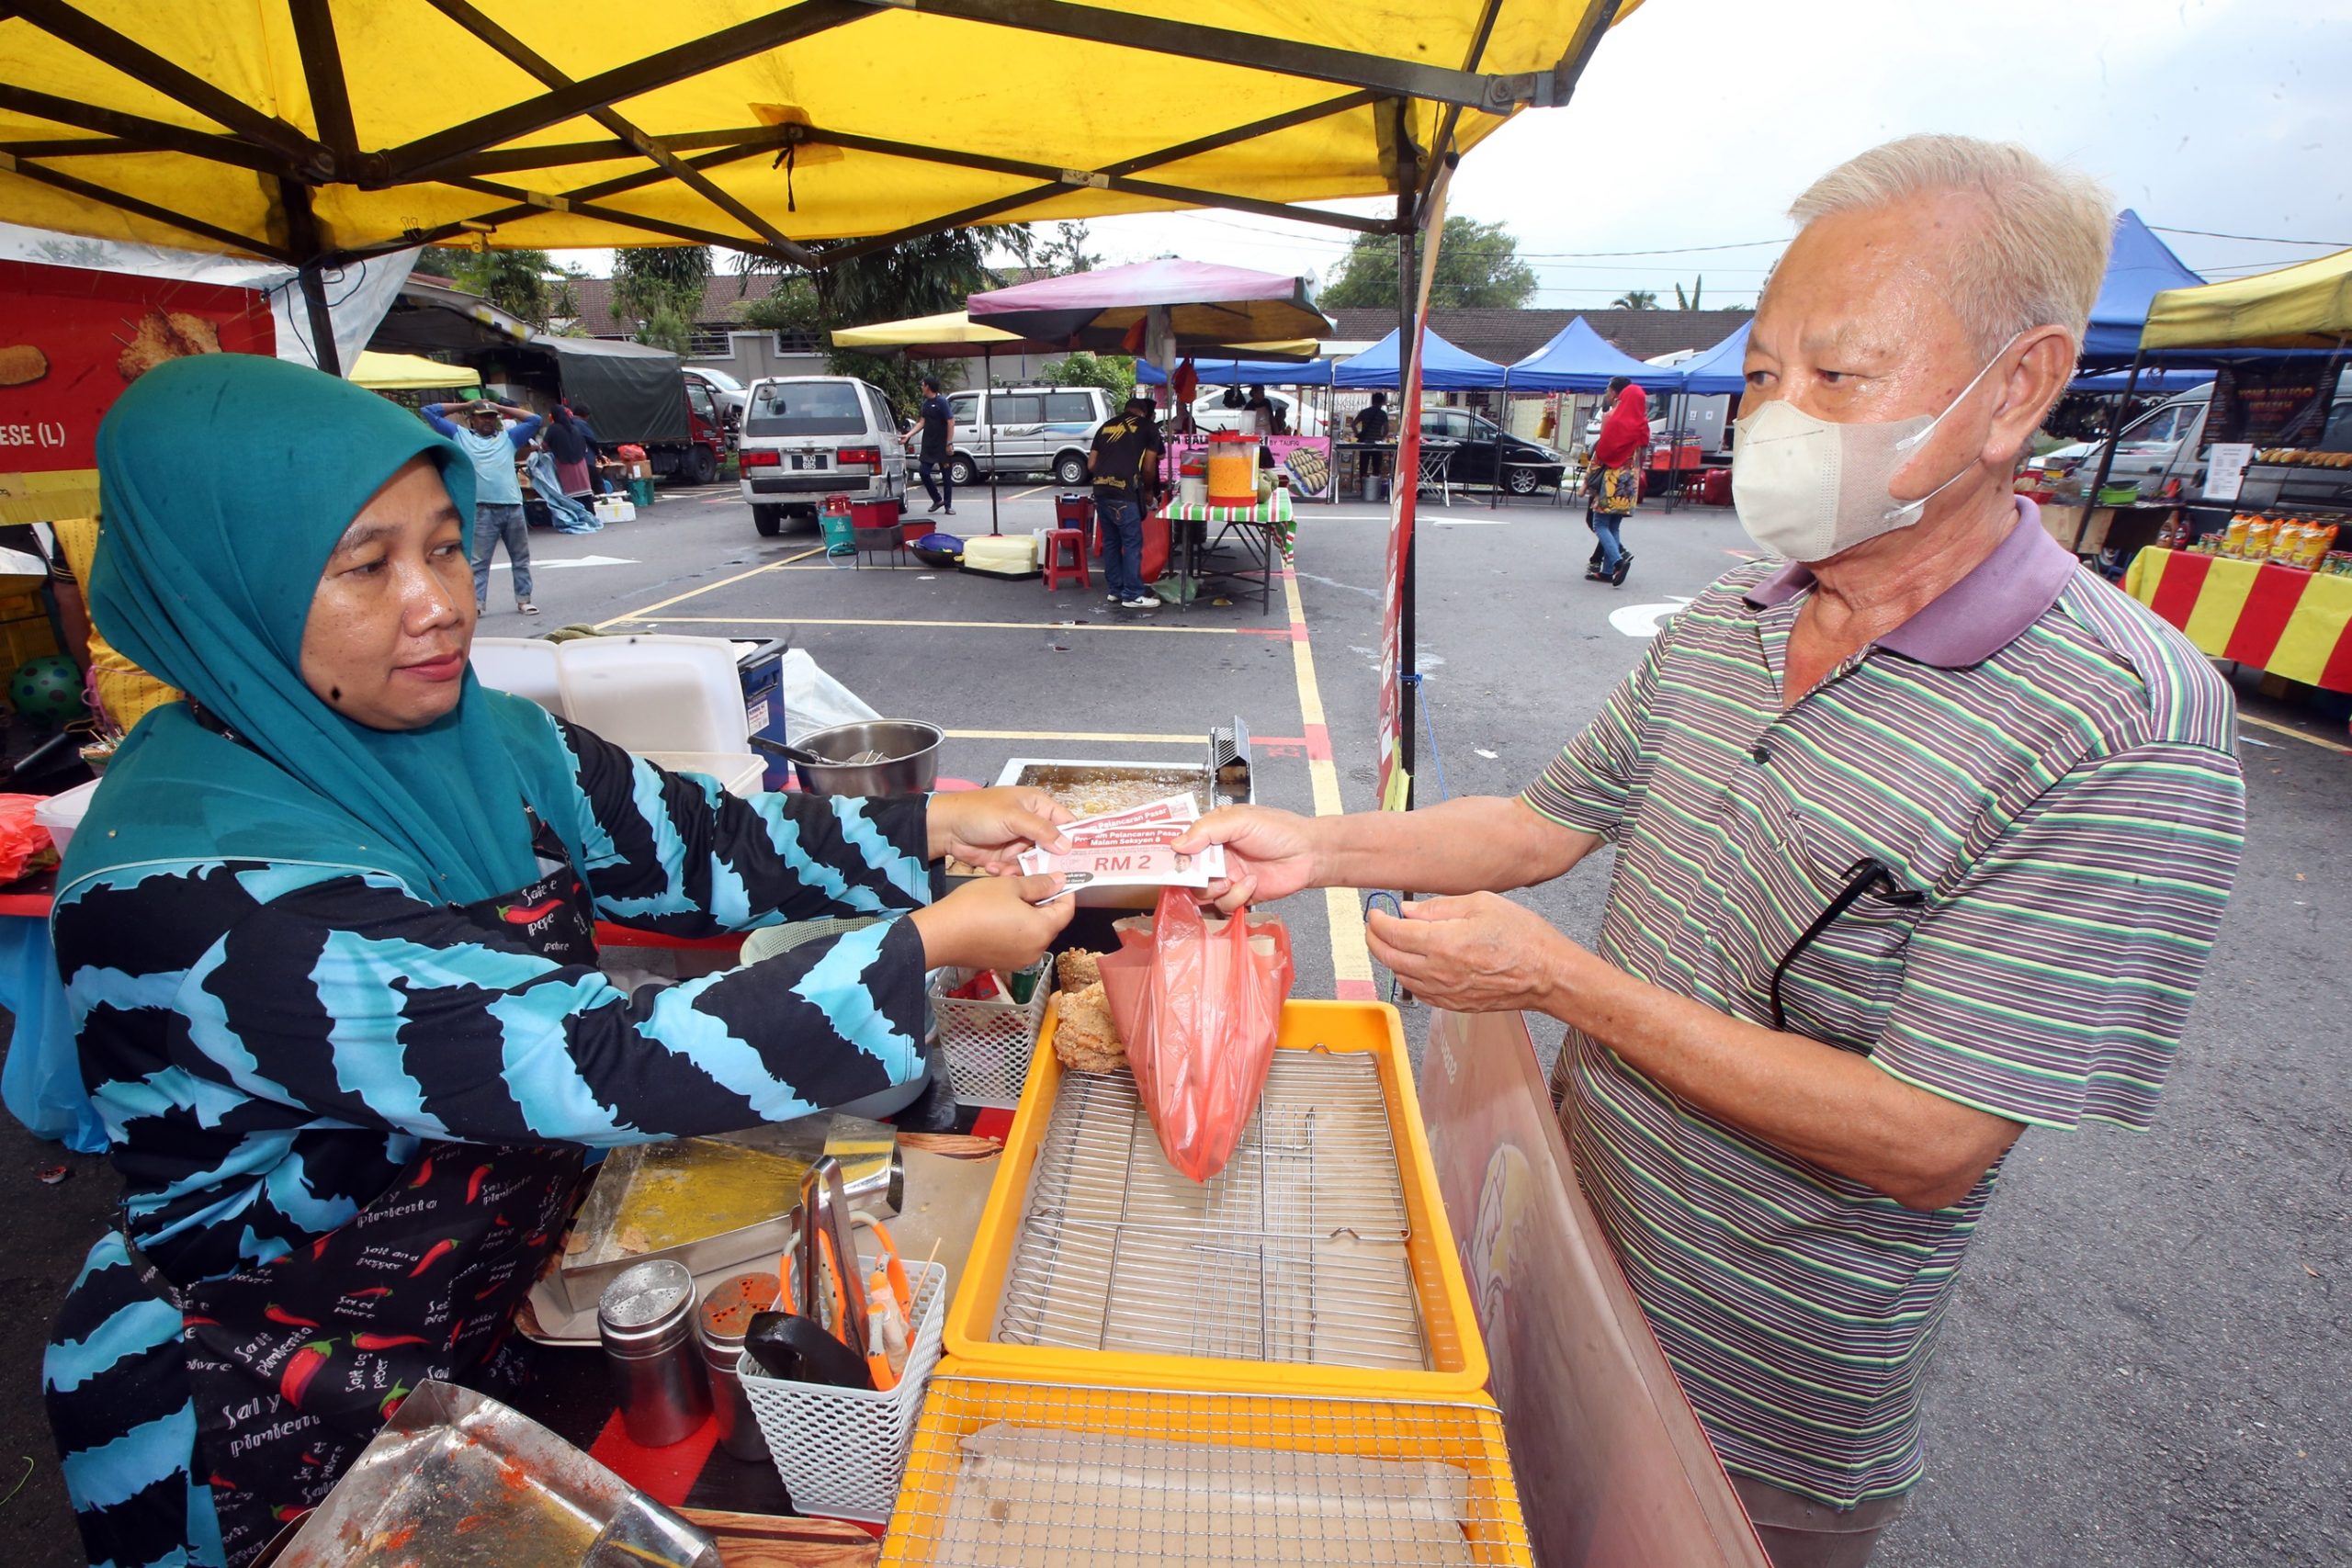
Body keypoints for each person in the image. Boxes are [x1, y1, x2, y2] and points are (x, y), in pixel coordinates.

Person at [1173, 135, 2245, 1568]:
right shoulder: (1742, 605)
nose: (1777, 420)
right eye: (1759, 376)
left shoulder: (2126, 721)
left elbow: (1930, 1137)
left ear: (2021, 389)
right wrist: (1314, 841)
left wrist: (1562, 984)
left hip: (1758, 1400)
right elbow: (1542, 819)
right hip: (1565, 1246)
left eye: (1838, 379)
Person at [44, 355, 1077, 1568]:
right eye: (368, 566)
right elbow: (589, 1054)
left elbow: (706, 842)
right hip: (275, 1402)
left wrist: (930, 829)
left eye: (444, 545)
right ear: (224, 595)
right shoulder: (195, 894)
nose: (439, 602)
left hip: (494, 1317)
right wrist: (928, 942)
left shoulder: (487, 737)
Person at [422, 397, 543, 616]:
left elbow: (535, 420)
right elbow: (429, 411)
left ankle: (524, 600)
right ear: (472, 420)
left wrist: (500, 407)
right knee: (479, 562)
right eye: (482, 417)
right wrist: (466, 405)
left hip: (512, 506)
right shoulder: (461, 435)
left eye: (491, 417)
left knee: (520, 559)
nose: (488, 421)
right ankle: (477, 603)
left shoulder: (509, 438)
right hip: (481, 508)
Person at [1088, 394, 1159, 611]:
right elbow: (1148, 467)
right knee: (1131, 544)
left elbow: (1091, 464)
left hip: (1101, 490)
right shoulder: (1148, 427)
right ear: (1144, 412)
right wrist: (1148, 491)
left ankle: (1115, 590)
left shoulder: (1105, 427)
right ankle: (1132, 595)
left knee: (1111, 542)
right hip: (1124, 492)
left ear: (1125, 410)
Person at [1585, 376, 1646, 585]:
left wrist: (1587, 482)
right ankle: (1607, 571)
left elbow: (1602, 453)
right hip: (1631, 482)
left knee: (1599, 522)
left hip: (1613, 479)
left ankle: (1619, 561)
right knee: (1614, 525)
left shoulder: (1617, 422)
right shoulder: (1642, 426)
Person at [911, 375, 956, 516]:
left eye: (922, 385)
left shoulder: (942, 402)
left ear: (928, 386)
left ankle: (948, 506)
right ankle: (937, 499)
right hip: (929, 445)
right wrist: (908, 435)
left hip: (942, 445)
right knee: (924, 472)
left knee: (947, 475)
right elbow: (921, 422)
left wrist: (949, 443)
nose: (921, 387)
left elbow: (951, 421)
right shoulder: (925, 404)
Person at [540, 403, 595, 501]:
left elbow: (545, 447)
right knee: (586, 498)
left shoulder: (553, 428)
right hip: (581, 467)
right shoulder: (575, 428)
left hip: (564, 466)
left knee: (572, 499)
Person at [1352, 390, 1392, 479]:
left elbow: (1353, 424)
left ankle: (1363, 489)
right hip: (1377, 444)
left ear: (1372, 401)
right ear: (1382, 402)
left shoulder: (1364, 412)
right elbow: (1386, 429)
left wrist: (1358, 434)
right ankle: (1374, 489)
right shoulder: (1383, 414)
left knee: (1363, 468)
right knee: (1376, 469)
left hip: (1365, 444)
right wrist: (1381, 437)